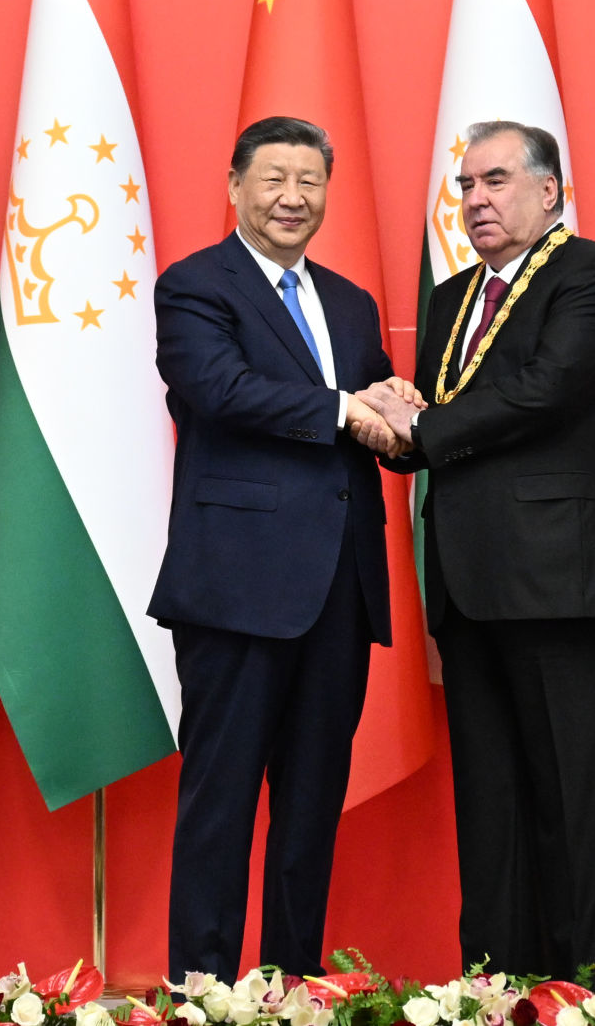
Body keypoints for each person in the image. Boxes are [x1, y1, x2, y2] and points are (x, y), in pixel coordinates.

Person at [356, 121, 595, 980]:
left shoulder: (594, 274)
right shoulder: (453, 295)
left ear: (549, 190)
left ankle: (586, 992)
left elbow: (547, 388)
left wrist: (425, 427)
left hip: (564, 578)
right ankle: (492, 991)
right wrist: (389, 428)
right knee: (490, 808)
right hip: (466, 580)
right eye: (466, 186)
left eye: (495, 180)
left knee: (577, 804)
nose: (476, 200)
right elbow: (441, 422)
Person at [148, 115, 413, 983]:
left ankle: (293, 987)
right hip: (235, 588)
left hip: (340, 589)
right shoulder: (196, 285)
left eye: (310, 180)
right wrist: (345, 408)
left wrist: (403, 419)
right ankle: (204, 992)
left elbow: (374, 422)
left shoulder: (351, 301)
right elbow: (220, 389)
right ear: (235, 187)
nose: (293, 196)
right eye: (274, 178)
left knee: (311, 810)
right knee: (219, 803)